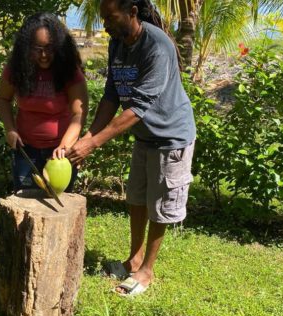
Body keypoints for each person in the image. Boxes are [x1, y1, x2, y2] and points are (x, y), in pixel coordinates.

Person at [67, 0, 196, 296]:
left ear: (132, 13)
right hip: (144, 137)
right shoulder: (118, 44)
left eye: (110, 18)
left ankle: (146, 271)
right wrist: (87, 138)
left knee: (160, 207)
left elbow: (138, 106)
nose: (105, 25)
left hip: (170, 137)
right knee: (136, 199)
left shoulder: (157, 46)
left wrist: (93, 143)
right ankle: (134, 259)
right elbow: (112, 96)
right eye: (103, 19)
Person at [0, 12, 88, 192]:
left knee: (58, 208)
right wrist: (10, 129)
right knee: (24, 204)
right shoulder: (16, 69)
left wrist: (65, 144)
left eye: (49, 48)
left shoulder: (70, 71)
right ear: (26, 47)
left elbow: (80, 113)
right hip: (25, 151)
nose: (44, 55)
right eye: (37, 49)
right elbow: (2, 99)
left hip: (60, 154)